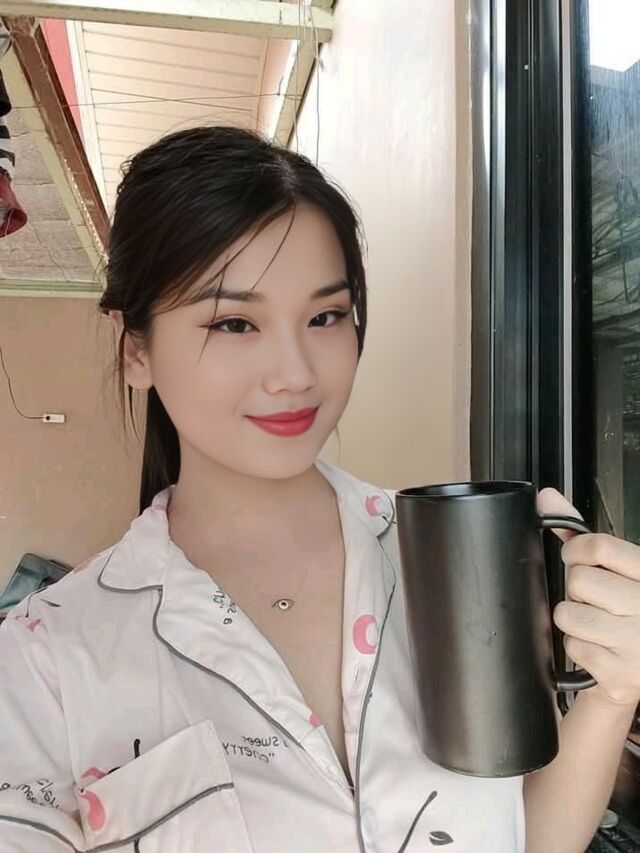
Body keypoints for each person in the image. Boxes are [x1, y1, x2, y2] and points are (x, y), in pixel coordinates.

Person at [5, 123, 638, 853]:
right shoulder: (47, 659)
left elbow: (527, 837)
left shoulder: (456, 565)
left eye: (326, 316)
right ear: (136, 350)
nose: (296, 372)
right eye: (235, 322)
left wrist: (614, 689)